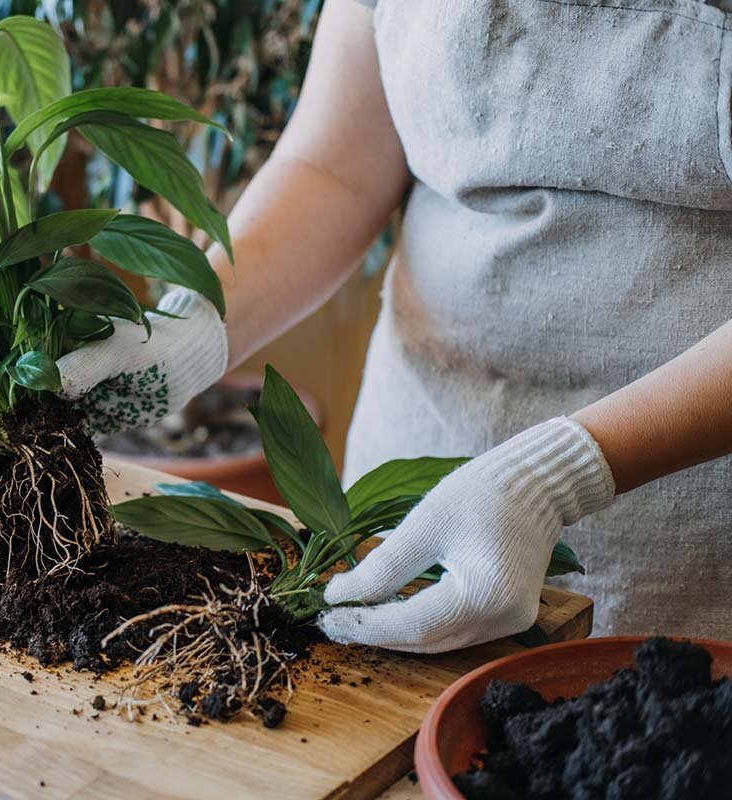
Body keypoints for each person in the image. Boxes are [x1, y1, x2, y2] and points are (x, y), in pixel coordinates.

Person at [56, 0, 732, 653]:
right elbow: (334, 165)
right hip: (411, 476)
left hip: (681, 538)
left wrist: (559, 475)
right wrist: (192, 325)